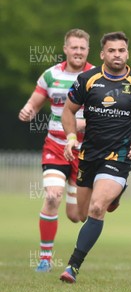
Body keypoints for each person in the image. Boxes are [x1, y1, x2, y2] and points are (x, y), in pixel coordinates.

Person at [59, 31, 131, 283]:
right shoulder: (87, 79)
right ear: (102, 54)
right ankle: (115, 194)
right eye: (111, 51)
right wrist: (71, 137)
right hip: (88, 155)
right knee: (79, 214)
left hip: (118, 156)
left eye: (121, 50)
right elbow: (68, 111)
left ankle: (72, 266)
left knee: (98, 208)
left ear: (127, 53)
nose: (117, 55)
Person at [18, 29, 94, 272]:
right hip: (57, 146)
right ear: (66, 49)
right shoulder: (51, 75)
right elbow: (34, 101)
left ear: (88, 51)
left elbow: (106, 114)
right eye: (74, 47)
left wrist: (82, 124)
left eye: (82, 48)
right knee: (52, 197)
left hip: (85, 150)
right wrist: (28, 110)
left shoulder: (96, 77)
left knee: (76, 215)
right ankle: (45, 258)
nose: (78, 52)